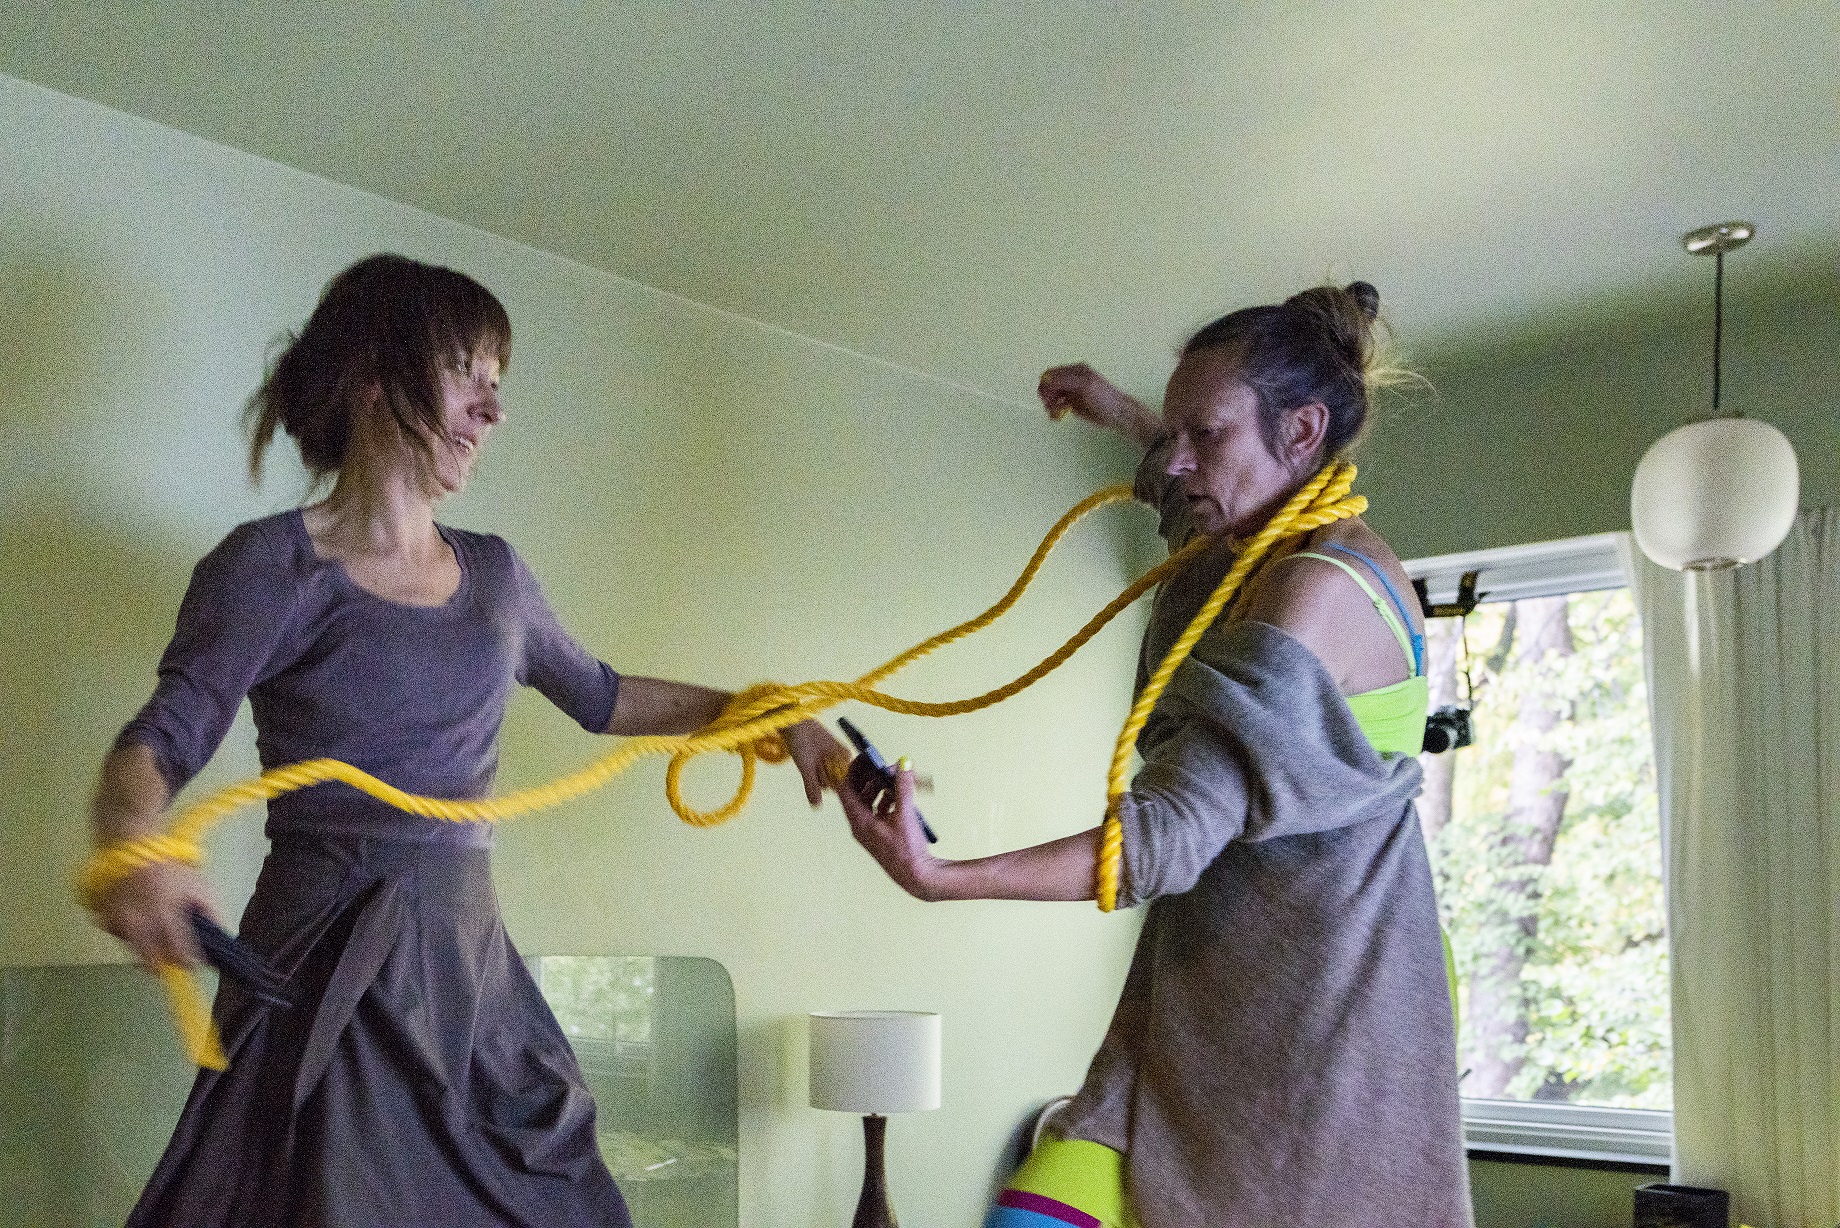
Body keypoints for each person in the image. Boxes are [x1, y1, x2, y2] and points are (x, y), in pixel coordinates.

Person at [89, 253, 844, 1228]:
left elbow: (603, 695)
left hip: (467, 963)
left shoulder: (496, 578)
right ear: (374, 376)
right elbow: (162, 737)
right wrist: (133, 842)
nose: (493, 411)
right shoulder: (270, 568)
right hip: (327, 955)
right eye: (466, 374)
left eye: (498, 383)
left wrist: (770, 713)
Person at [836, 283, 1471, 1228]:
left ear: (1302, 433)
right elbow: (1183, 492)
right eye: (1174, 433)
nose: (1177, 461)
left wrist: (944, 878)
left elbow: (1168, 835)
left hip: (1329, 997)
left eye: (1203, 434)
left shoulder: (1318, 591)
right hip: (1196, 982)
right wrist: (1122, 412)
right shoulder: (1242, 535)